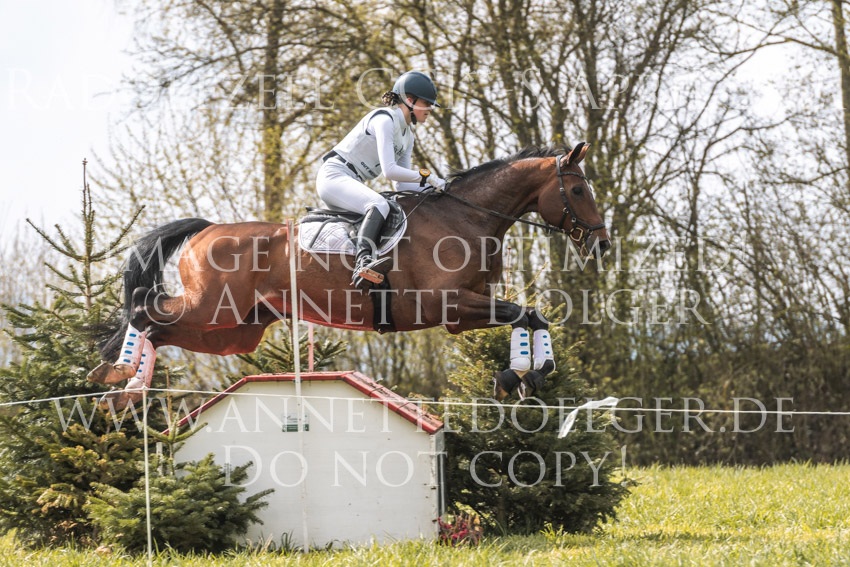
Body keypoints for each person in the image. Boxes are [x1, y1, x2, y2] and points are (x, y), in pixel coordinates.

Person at [317, 70, 447, 289]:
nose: (430, 109)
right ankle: (363, 262)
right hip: (334, 175)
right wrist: (428, 177)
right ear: (409, 100)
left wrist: (434, 191)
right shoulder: (384, 120)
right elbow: (389, 171)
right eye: (426, 103)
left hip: (352, 180)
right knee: (379, 204)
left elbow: (401, 184)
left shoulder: (408, 136)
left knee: (389, 206)